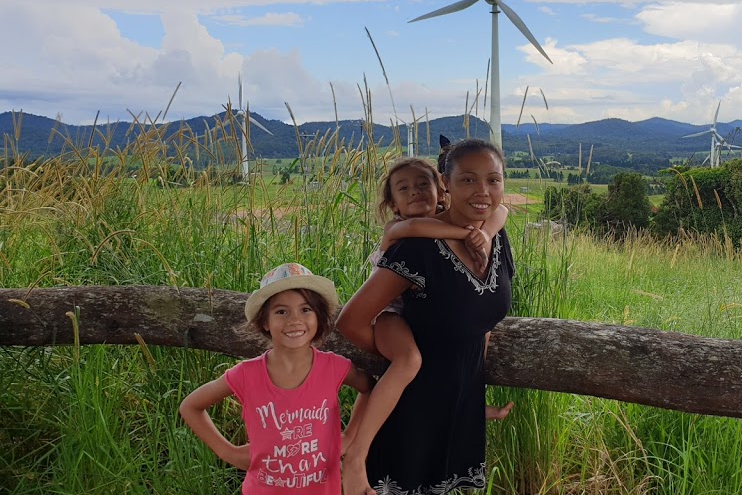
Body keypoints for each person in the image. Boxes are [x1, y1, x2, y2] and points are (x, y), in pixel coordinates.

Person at [337, 138, 515, 495]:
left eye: (493, 180)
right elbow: (350, 322)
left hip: (455, 409)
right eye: (468, 179)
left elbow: (479, 325)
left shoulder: (495, 236)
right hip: (409, 413)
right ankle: (354, 455)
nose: (482, 190)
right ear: (447, 182)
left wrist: (470, 398)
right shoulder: (415, 246)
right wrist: (402, 358)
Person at [180, 263, 374, 494]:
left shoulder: (334, 367)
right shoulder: (246, 374)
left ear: (319, 317)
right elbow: (191, 406)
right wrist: (227, 452)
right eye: (281, 311)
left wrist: (350, 436)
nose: (294, 320)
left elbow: (370, 388)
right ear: (265, 321)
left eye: (306, 310)